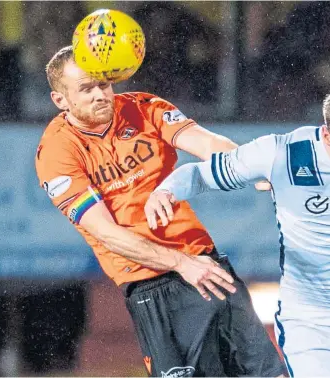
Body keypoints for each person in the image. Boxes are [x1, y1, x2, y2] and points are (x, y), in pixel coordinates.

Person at [145, 79, 330, 377]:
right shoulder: (281, 155)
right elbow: (199, 175)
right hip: (310, 326)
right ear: (327, 134)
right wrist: (165, 192)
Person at [34, 45, 285, 377]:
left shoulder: (142, 107)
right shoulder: (56, 152)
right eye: (86, 88)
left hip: (204, 262)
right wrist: (181, 264)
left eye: (104, 84)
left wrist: (252, 167)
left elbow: (206, 143)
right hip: (151, 284)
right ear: (60, 100)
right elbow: (106, 234)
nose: (100, 95)